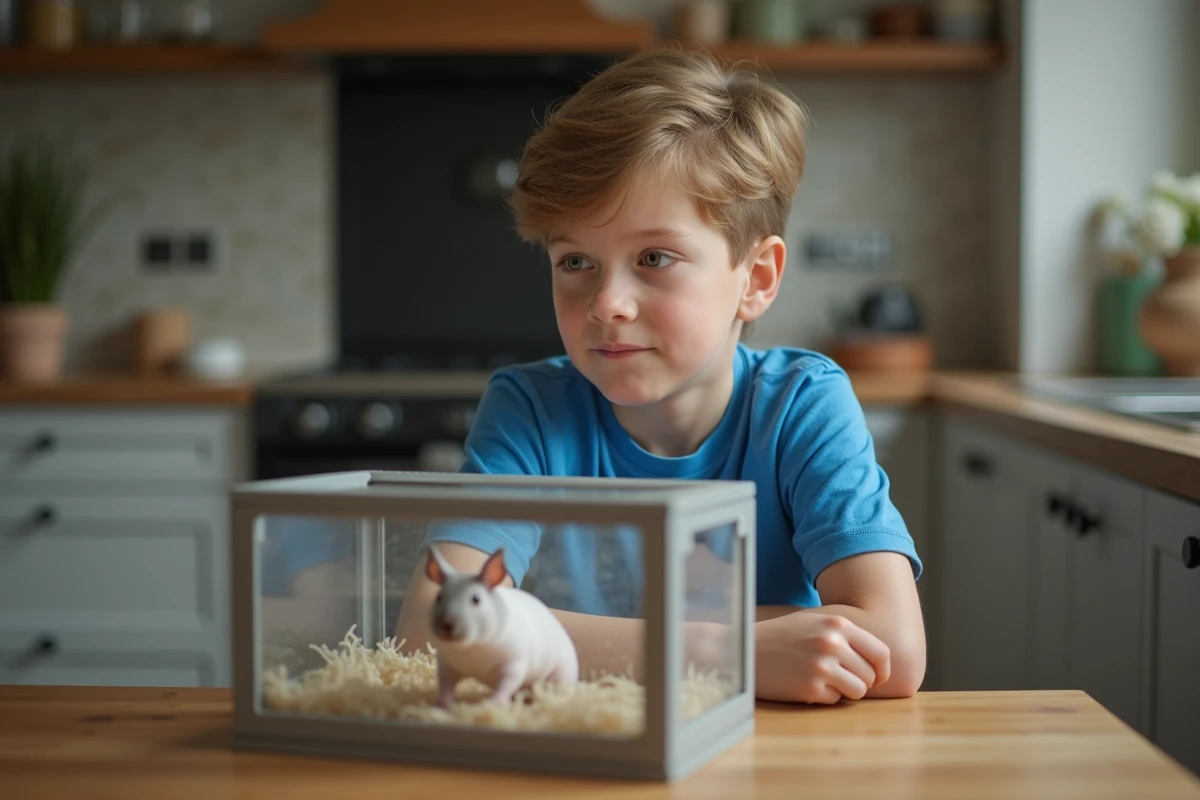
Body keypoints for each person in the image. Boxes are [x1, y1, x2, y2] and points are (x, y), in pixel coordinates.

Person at [395, 48, 925, 704]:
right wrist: (726, 652)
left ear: (755, 279)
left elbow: (894, 649)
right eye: (575, 261)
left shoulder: (801, 404)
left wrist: (540, 633)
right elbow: (426, 631)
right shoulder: (529, 409)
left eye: (654, 256)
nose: (606, 303)